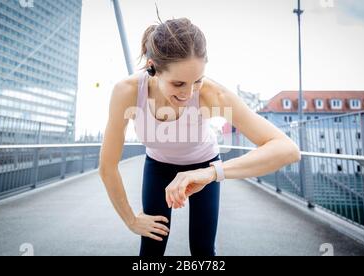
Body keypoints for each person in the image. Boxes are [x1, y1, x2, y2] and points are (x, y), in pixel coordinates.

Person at [99, 17, 301, 256]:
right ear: (153, 67)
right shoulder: (128, 92)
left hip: (204, 165)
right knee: (152, 247)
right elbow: (107, 166)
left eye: (197, 80)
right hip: (158, 167)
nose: (188, 93)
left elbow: (288, 149)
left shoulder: (212, 95)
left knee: (203, 250)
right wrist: (131, 220)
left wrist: (210, 172)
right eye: (178, 83)